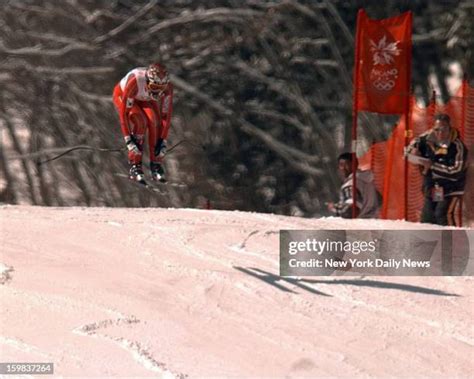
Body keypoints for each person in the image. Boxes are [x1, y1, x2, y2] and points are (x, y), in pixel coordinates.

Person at [113, 63, 173, 183]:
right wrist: (128, 139)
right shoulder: (135, 81)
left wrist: (163, 140)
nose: (158, 93)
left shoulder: (167, 88)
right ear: (147, 81)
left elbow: (166, 116)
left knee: (154, 122)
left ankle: (156, 164)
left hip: (144, 98)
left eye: (161, 89)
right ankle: (135, 165)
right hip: (124, 95)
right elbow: (124, 114)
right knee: (140, 122)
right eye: (155, 87)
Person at [407, 113, 468, 226]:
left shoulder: (457, 146)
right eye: (437, 129)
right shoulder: (427, 138)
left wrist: (432, 166)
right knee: (428, 217)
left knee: (442, 214)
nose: (440, 133)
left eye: (443, 129)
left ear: (449, 128)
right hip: (434, 186)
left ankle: (453, 241)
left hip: (452, 187)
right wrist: (412, 152)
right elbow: (411, 147)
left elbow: (456, 172)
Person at [327, 153, 381, 218]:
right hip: (375, 222)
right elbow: (379, 199)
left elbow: (351, 211)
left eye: (347, 164)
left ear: (355, 164)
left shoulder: (351, 184)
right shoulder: (368, 180)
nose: (343, 168)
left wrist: (335, 208)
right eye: (341, 165)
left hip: (360, 224)